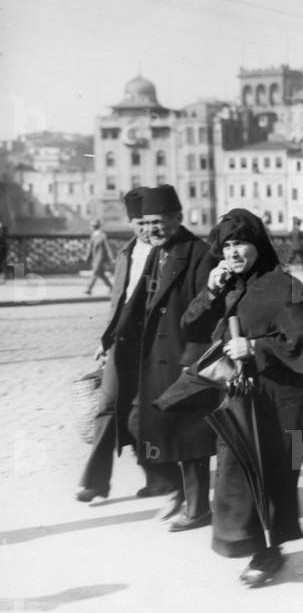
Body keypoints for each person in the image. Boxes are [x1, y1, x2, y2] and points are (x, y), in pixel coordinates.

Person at [181, 208, 303, 587]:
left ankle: (269, 552)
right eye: (226, 246)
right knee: (240, 474)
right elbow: (189, 326)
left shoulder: (286, 285)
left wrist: (255, 346)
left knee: (279, 477)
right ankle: (253, 545)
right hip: (244, 402)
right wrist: (210, 291)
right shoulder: (228, 287)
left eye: (240, 243)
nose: (233, 253)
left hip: (289, 406)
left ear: (258, 243)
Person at [133, 184, 217, 531]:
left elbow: (210, 310)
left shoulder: (199, 253)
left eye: (158, 222)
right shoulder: (159, 251)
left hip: (184, 357)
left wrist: (193, 360)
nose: (150, 229)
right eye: (146, 222)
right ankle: (180, 492)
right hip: (157, 358)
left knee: (189, 434)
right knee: (141, 423)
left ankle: (197, 509)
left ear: (178, 218)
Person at [77, 188, 167, 502]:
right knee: (106, 408)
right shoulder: (125, 253)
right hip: (121, 344)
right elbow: (118, 303)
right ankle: (96, 481)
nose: (146, 229)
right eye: (138, 223)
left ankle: (159, 478)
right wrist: (105, 341)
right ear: (130, 223)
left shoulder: (166, 253)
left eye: (149, 222)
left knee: (140, 413)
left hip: (153, 346)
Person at [84, 219, 114, 295]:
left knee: (95, 273)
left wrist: (111, 257)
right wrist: (87, 257)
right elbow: (90, 248)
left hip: (100, 258)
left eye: (91, 226)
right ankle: (111, 288)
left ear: (94, 227)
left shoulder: (102, 235)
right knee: (101, 274)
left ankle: (89, 289)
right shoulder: (93, 235)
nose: (91, 227)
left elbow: (107, 247)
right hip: (95, 259)